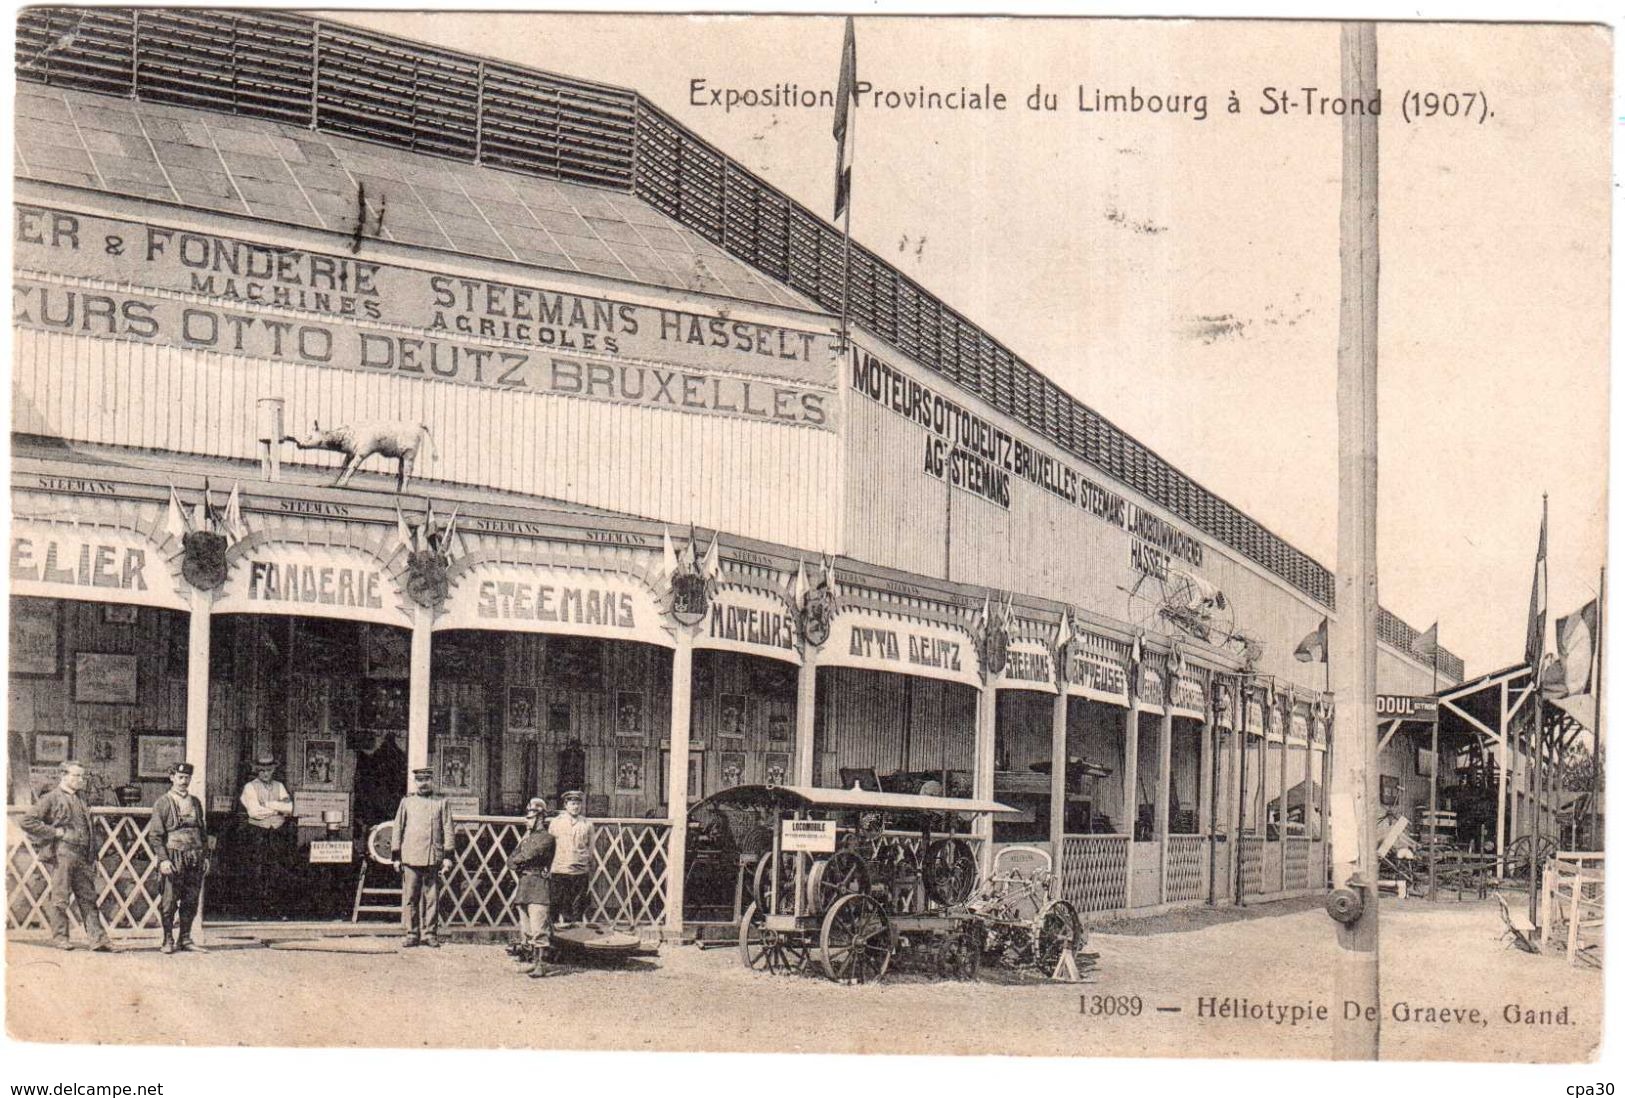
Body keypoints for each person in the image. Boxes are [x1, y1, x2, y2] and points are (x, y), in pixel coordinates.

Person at [20, 761, 114, 951]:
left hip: (83, 855)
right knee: (61, 897)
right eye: (76, 776)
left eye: (82, 776)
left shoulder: (82, 798)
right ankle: (61, 938)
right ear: (64, 776)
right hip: (62, 854)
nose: (81, 780)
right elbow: (27, 821)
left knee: (88, 897)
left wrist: (93, 856)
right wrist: (55, 833)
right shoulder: (51, 798)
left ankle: (98, 940)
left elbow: (88, 828)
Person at [390, 767, 455, 948]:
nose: (423, 783)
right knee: (411, 897)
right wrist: (396, 856)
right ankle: (412, 933)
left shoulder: (441, 802)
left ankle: (430, 934)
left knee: (432, 897)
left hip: (432, 857)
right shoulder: (407, 802)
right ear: (415, 782)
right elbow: (397, 828)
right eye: (420, 780)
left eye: (426, 779)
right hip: (410, 856)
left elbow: (448, 829)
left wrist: (448, 856)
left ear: (432, 780)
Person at [149, 762, 209, 954]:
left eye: (187, 778)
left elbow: (202, 831)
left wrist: (205, 856)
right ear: (172, 778)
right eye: (180, 777)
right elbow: (155, 836)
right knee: (169, 900)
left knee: (191, 899)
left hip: (195, 856)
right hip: (173, 856)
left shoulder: (196, 802)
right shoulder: (163, 802)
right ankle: (167, 939)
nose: (184, 781)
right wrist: (164, 860)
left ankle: (185, 938)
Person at [506, 797, 557, 978]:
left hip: (539, 886)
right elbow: (511, 860)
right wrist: (518, 859)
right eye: (527, 817)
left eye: (530, 817)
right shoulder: (526, 838)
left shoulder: (547, 838)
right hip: (525, 885)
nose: (527, 820)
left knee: (538, 928)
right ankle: (533, 962)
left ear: (540, 818)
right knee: (526, 928)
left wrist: (519, 859)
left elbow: (527, 855)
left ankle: (541, 965)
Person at [239, 754, 294, 914]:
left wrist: (267, 805)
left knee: (276, 869)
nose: (265, 774)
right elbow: (255, 812)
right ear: (257, 771)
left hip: (277, 833)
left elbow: (289, 808)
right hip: (257, 833)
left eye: (268, 770)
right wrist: (277, 809)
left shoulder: (279, 786)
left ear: (273, 771)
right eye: (261, 770)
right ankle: (255, 910)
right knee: (257, 870)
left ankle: (275, 908)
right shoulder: (250, 787)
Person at [548, 790, 595, 928]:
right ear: (566, 805)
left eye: (578, 804)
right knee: (557, 903)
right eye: (572, 803)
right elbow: (550, 846)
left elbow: (590, 848)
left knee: (578, 905)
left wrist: (587, 862)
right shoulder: (556, 823)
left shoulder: (587, 824)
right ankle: (555, 935)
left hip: (580, 870)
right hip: (560, 869)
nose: (575, 807)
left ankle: (576, 936)